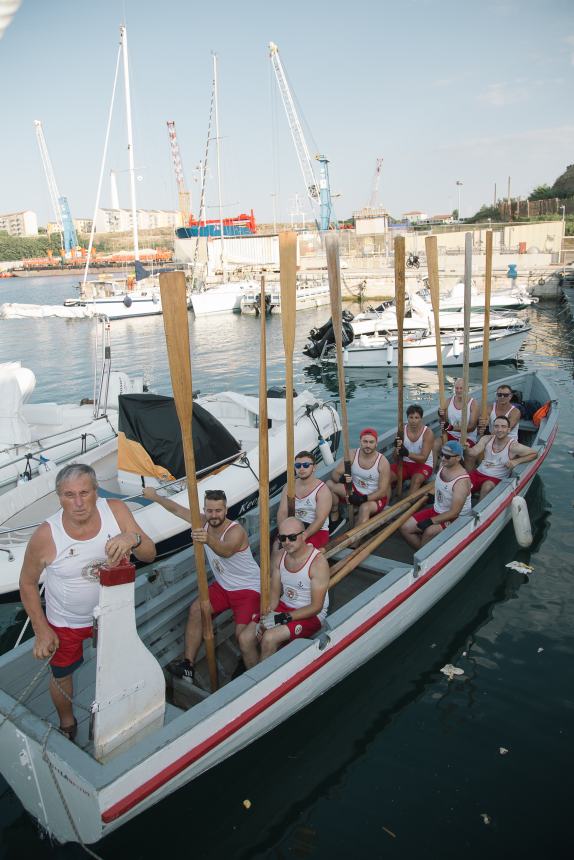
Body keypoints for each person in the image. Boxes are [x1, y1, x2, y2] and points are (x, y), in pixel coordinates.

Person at [19, 464, 156, 741]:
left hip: (112, 615)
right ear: (59, 497)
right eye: (69, 495)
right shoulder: (47, 535)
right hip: (65, 623)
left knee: (118, 667)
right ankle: (67, 723)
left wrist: (133, 537)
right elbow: (27, 583)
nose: (78, 503)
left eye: (84, 492)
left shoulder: (115, 511)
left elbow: (150, 555)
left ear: (96, 491)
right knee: (62, 675)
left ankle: (115, 714)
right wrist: (41, 629)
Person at [142, 487, 260, 684]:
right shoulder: (203, 522)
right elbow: (177, 510)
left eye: (218, 511)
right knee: (196, 610)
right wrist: (155, 497)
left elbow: (226, 550)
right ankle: (188, 665)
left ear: (226, 510)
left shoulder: (235, 531)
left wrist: (208, 539)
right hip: (223, 587)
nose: (214, 516)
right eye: (209, 511)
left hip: (248, 590)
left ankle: (257, 675)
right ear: (205, 510)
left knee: (242, 637)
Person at [239, 517, 330, 666]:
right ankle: (255, 676)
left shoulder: (318, 564)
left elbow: (316, 607)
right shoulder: (278, 557)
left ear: (303, 535)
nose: (287, 542)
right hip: (284, 606)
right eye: (283, 538)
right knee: (245, 638)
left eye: (292, 537)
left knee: (269, 638)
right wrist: (265, 618)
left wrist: (282, 618)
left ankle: (263, 681)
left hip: (311, 614)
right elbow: (274, 598)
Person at [400, 440, 472, 550]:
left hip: (457, 518)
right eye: (442, 455)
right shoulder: (443, 465)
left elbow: (454, 513)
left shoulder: (461, 482)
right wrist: (432, 494)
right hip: (437, 510)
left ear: (458, 458)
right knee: (405, 528)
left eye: (447, 456)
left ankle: (424, 555)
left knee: (429, 532)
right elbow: (439, 484)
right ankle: (424, 552)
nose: (443, 459)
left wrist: (431, 521)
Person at [326, 427, 390, 528]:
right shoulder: (352, 454)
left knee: (365, 508)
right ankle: (335, 515)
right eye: (365, 441)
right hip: (354, 490)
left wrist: (362, 499)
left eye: (371, 442)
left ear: (376, 443)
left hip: (373, 497)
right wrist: (340, 479)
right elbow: (335, 473)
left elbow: (382, 492)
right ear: (360, 442)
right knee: (329, 484)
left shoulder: (383, 462)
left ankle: (354, 542)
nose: (368, 445)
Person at [465, 415, 538, 500]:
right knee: (462, 485)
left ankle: (479, 512)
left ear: (509, 430)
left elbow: (534, 454)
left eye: (503, 427)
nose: (499, 430)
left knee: (487, 487)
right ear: (493, 428)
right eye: (496, 426)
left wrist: (516, 461)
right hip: (478, 473)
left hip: (496, 478)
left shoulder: (513, 446)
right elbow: (473, 452)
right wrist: (466, 448)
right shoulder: (486, 438)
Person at [276, 451, 332, 549]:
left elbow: (320, 519)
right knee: (276, 549)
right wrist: (283, 532)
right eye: (298, 465)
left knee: (296, 550)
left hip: (316, 530)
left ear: (314, 467)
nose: (301, 468)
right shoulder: (289, 486)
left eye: (306, 465)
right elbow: (282, 512)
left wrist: (304, 535)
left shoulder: (322, 490)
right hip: (293, 529)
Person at [391, 404, 434, 496]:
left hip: (423, 465)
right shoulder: (401, 430)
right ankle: (385, 505)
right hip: (405, 464)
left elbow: (423, 459)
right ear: (407, 418)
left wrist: (406, 453)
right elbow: (395, 459)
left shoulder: (428, 433)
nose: (413, 421)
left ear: (421, 418)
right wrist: (396, 449)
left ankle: (408, 504)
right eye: (411, 417)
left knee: (416, 480)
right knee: (386, 476)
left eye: (416, 417)